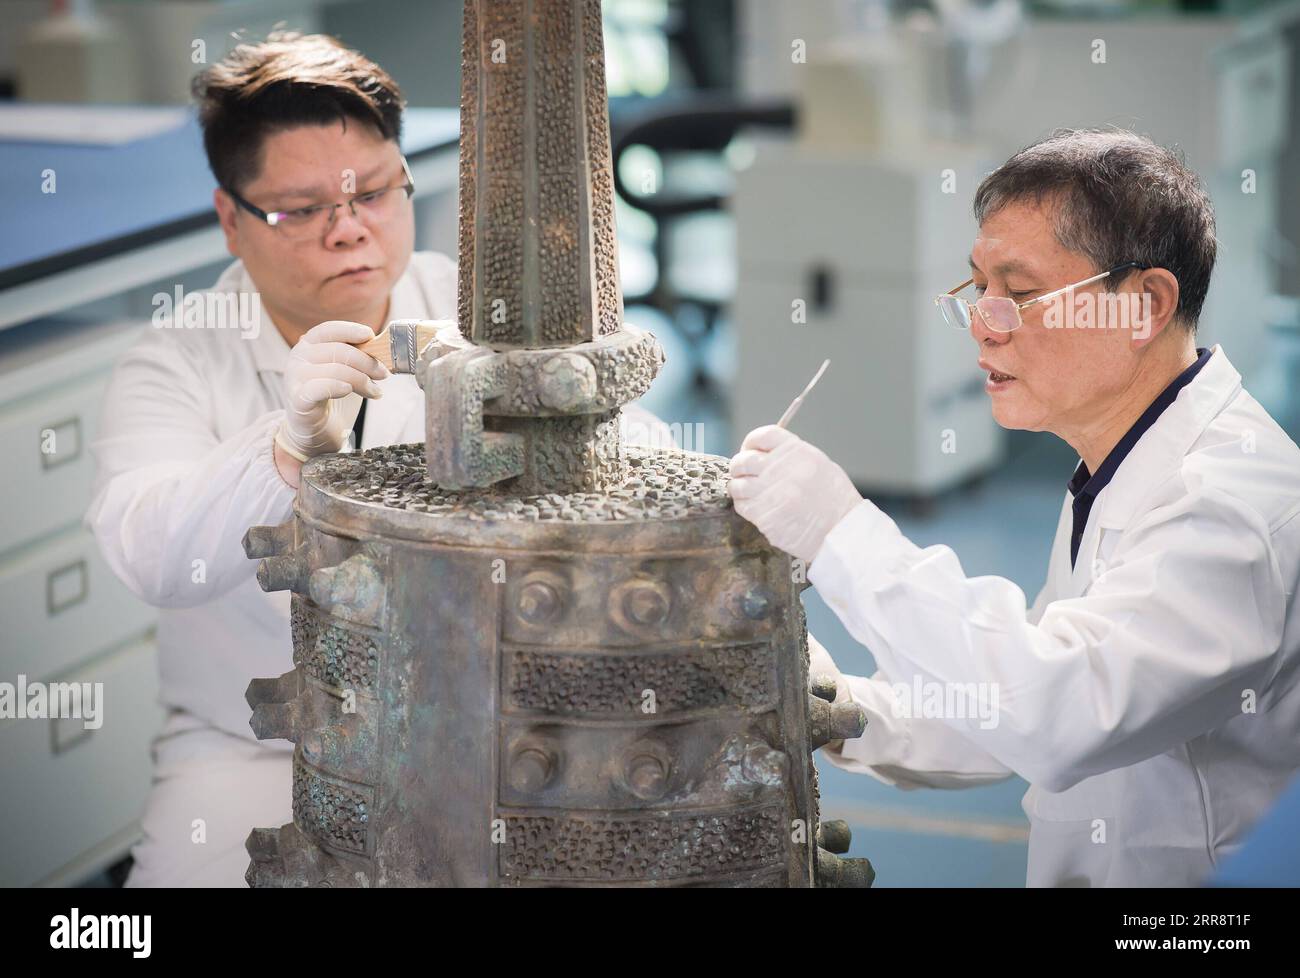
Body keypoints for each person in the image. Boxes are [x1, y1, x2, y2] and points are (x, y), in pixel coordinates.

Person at [85, 31, 667, 887]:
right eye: (303, 207)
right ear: (230, 220)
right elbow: (149, 553)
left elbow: (627, 467)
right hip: (259, 750)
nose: (350, 232)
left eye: (377, 194)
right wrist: (282, 447)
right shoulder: (177, 358)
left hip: (489, 729)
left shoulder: (484, 315)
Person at [729, 129, 1300, 887]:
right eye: (977, 289)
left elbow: (1058, 716)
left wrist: (839, 531)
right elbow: (1010, 710)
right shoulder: (1122, 459)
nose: (983, 322)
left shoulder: (1231, 507)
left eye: (1021, 293)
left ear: (1145, 305)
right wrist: (835, 708)